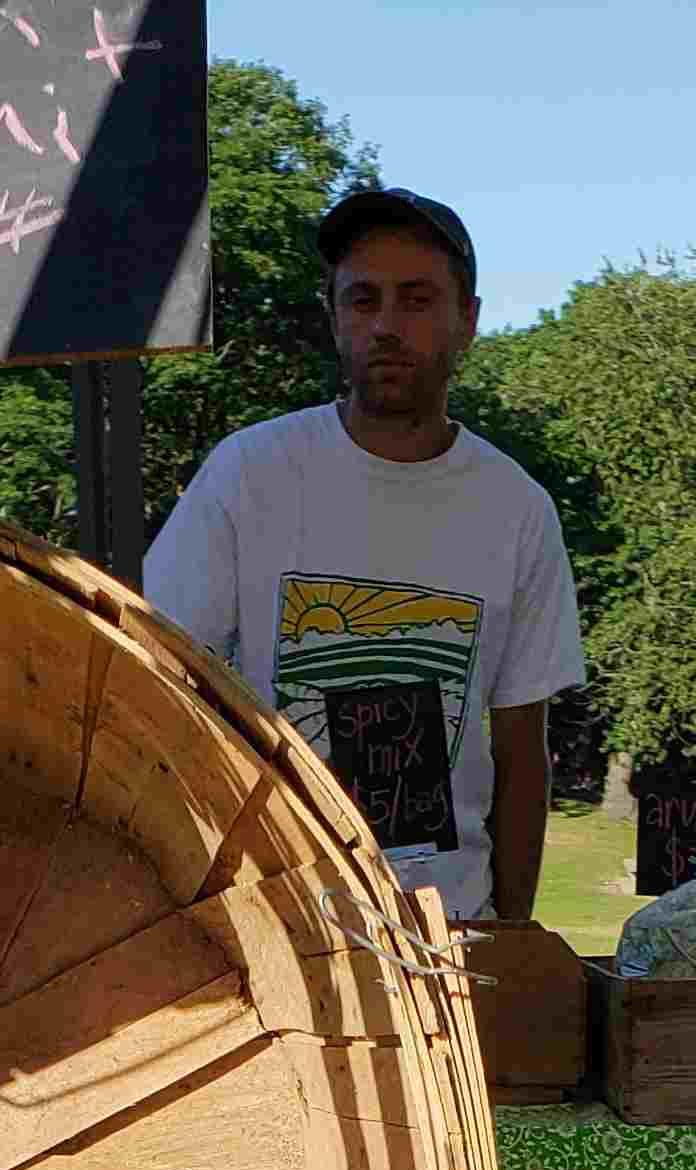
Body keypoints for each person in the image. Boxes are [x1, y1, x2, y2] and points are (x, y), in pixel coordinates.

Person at [145, 187, 587, 928]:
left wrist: (510, 937)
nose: (386, 326)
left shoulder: (517, 510)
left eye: (416, 300)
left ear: (468, 319)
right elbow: (158, 685)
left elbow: (521, 752)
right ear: (334, 318)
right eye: (363, 301)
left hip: (447, 932)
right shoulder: (250, 474)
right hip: (276, 919)